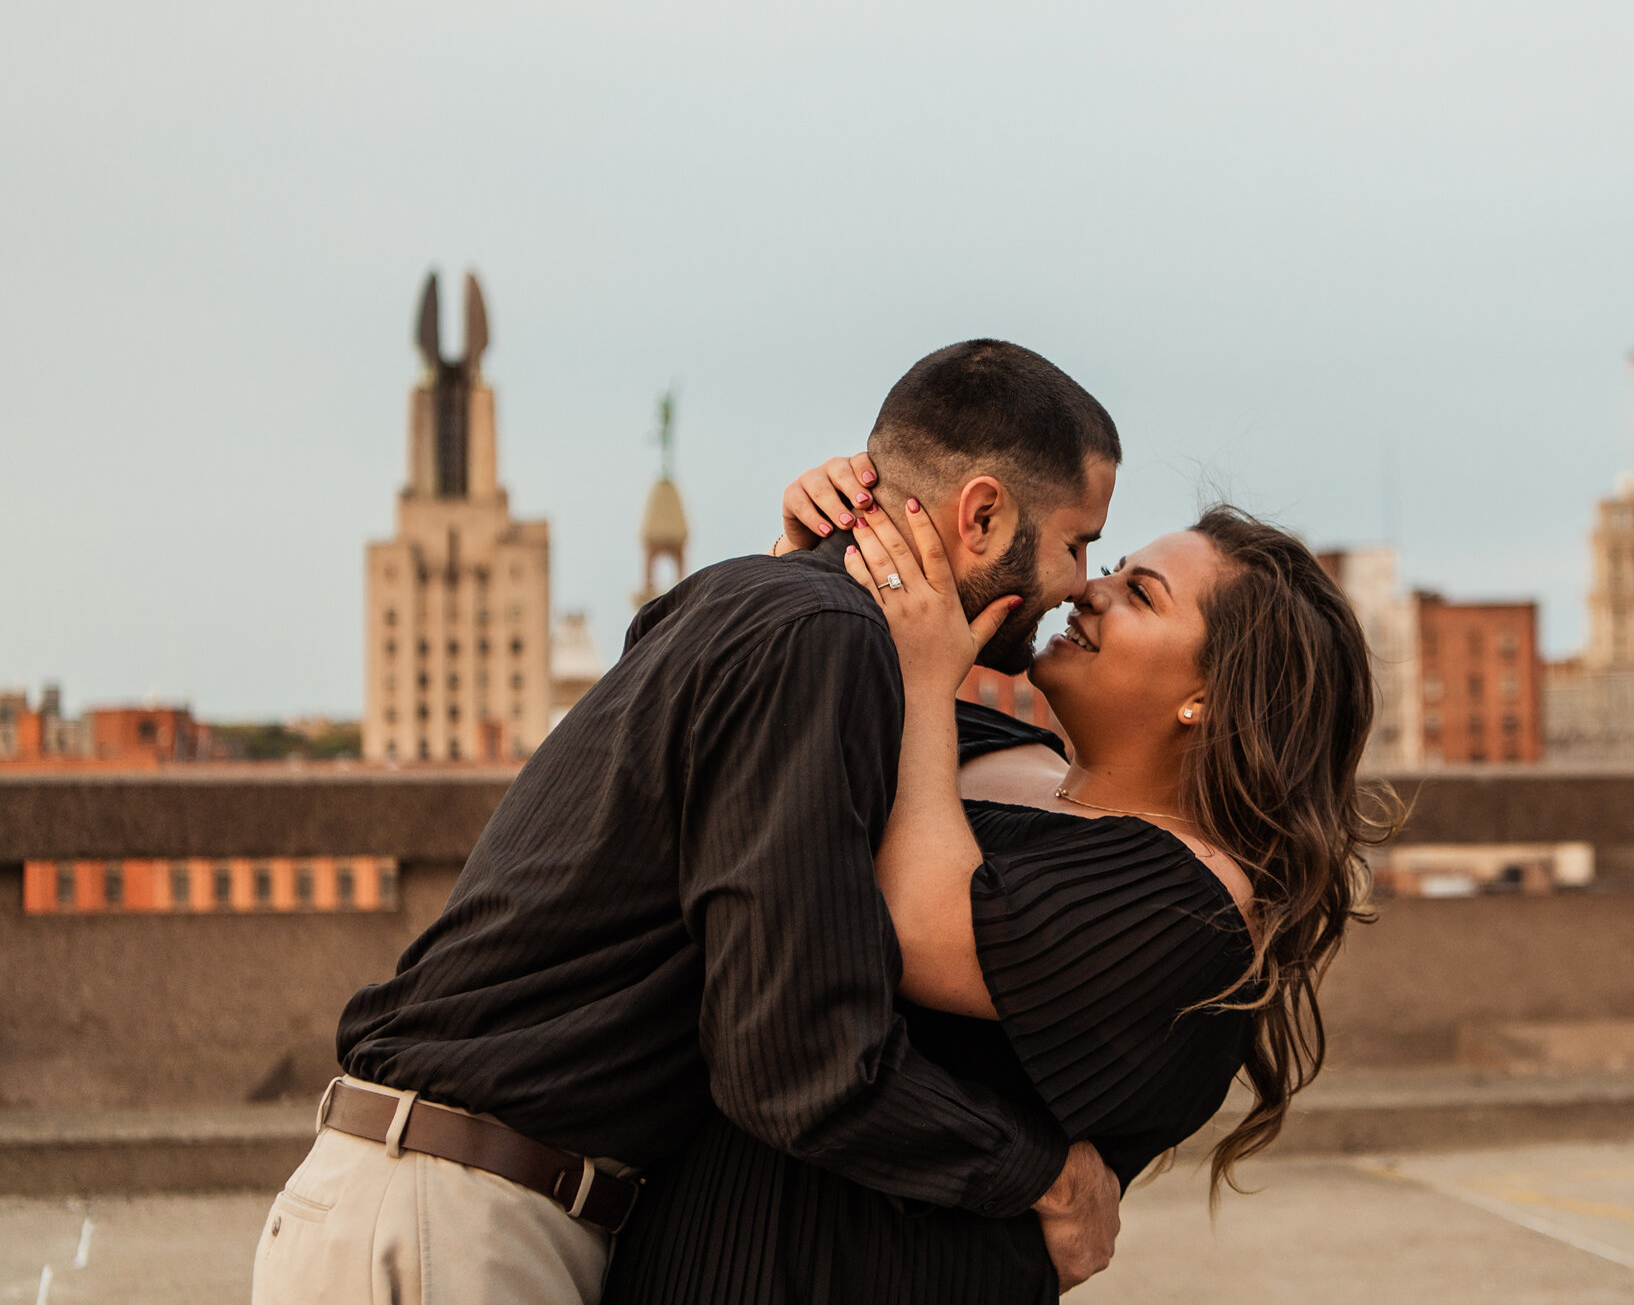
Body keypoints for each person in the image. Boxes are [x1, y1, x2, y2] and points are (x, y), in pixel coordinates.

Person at [250, 340, 1126, 1305]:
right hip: (457, 1224)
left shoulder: (761, 602)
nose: (1082, 583)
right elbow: (798, 1059)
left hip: (432, 1203)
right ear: (986, 513)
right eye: (1079, 541)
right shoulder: (819, 637)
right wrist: (1043, 1172)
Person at [601, 458, 1398, 1305]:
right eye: (1114, 565)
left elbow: (913, 923)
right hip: (683, 1256)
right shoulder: (978, 737)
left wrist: (915, 674)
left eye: (1143, 595)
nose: (1092, 589)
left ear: (1208, 694)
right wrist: (813, 567)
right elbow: (715, 746)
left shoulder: (1191, 905)